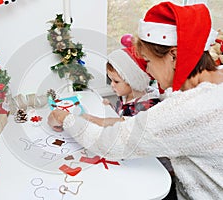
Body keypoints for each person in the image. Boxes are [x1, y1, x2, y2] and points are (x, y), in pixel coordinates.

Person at [47, 2, 223, 199]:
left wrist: (64, 118)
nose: (147, 70)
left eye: (148, 62)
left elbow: (112, 143)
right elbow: (135, 124)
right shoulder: (213, 85)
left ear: (174, 55)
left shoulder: (189, 108)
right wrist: (93, 119)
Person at [83, 46, 160, 127]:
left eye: (116, 81)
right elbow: (120, 115)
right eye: (110, 80)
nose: (112, 84)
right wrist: (111, 107)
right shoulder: (125, 96)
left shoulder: (147, 106)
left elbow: (124, 124)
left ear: (132, 81)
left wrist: (92, 119)